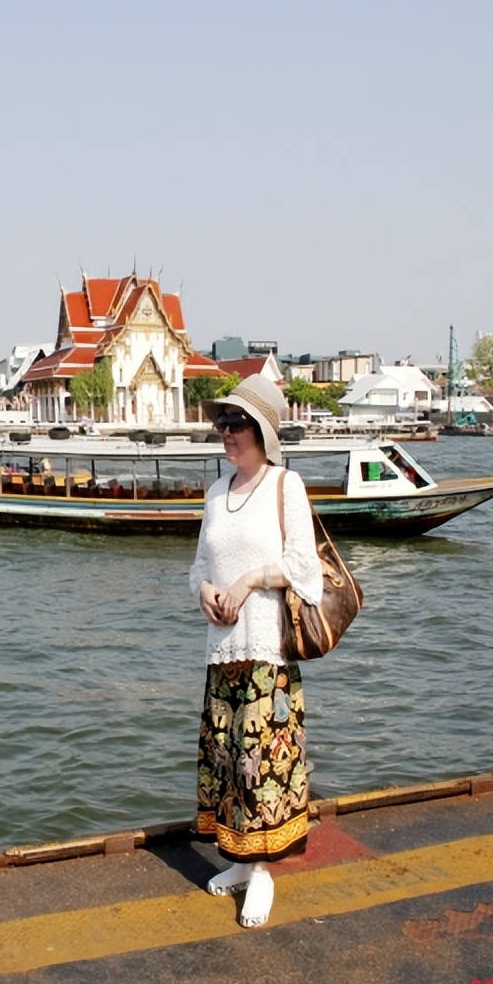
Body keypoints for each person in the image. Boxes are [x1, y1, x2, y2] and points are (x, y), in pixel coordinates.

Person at [188, 374, 323, 929]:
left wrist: (247, 581)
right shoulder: (217, 493)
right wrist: (207, 592)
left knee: (260, 763)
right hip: (223, 650)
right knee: (225, 761)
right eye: (222, 423)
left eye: (237, 423)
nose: (226, 433)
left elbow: (305, 570)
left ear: (263, 430)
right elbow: (197, 564)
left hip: (268, 650)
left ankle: (263, 871)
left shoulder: (284, 486)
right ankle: (241, 863)